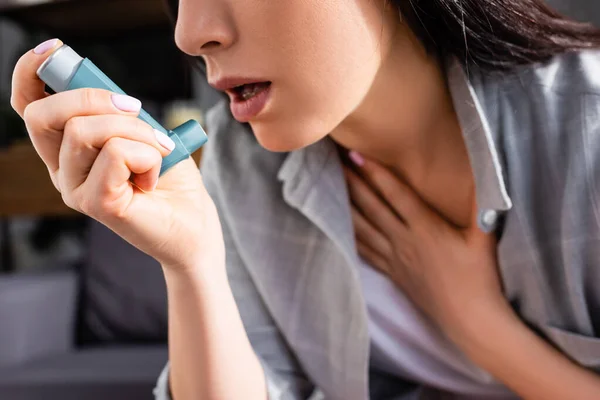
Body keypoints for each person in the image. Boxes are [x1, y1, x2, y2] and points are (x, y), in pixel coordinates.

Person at [9, 0, 600, 398]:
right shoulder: (246, 166)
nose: (189, 33)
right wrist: (190, 265)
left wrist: (482, 328)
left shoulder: (587, 128)